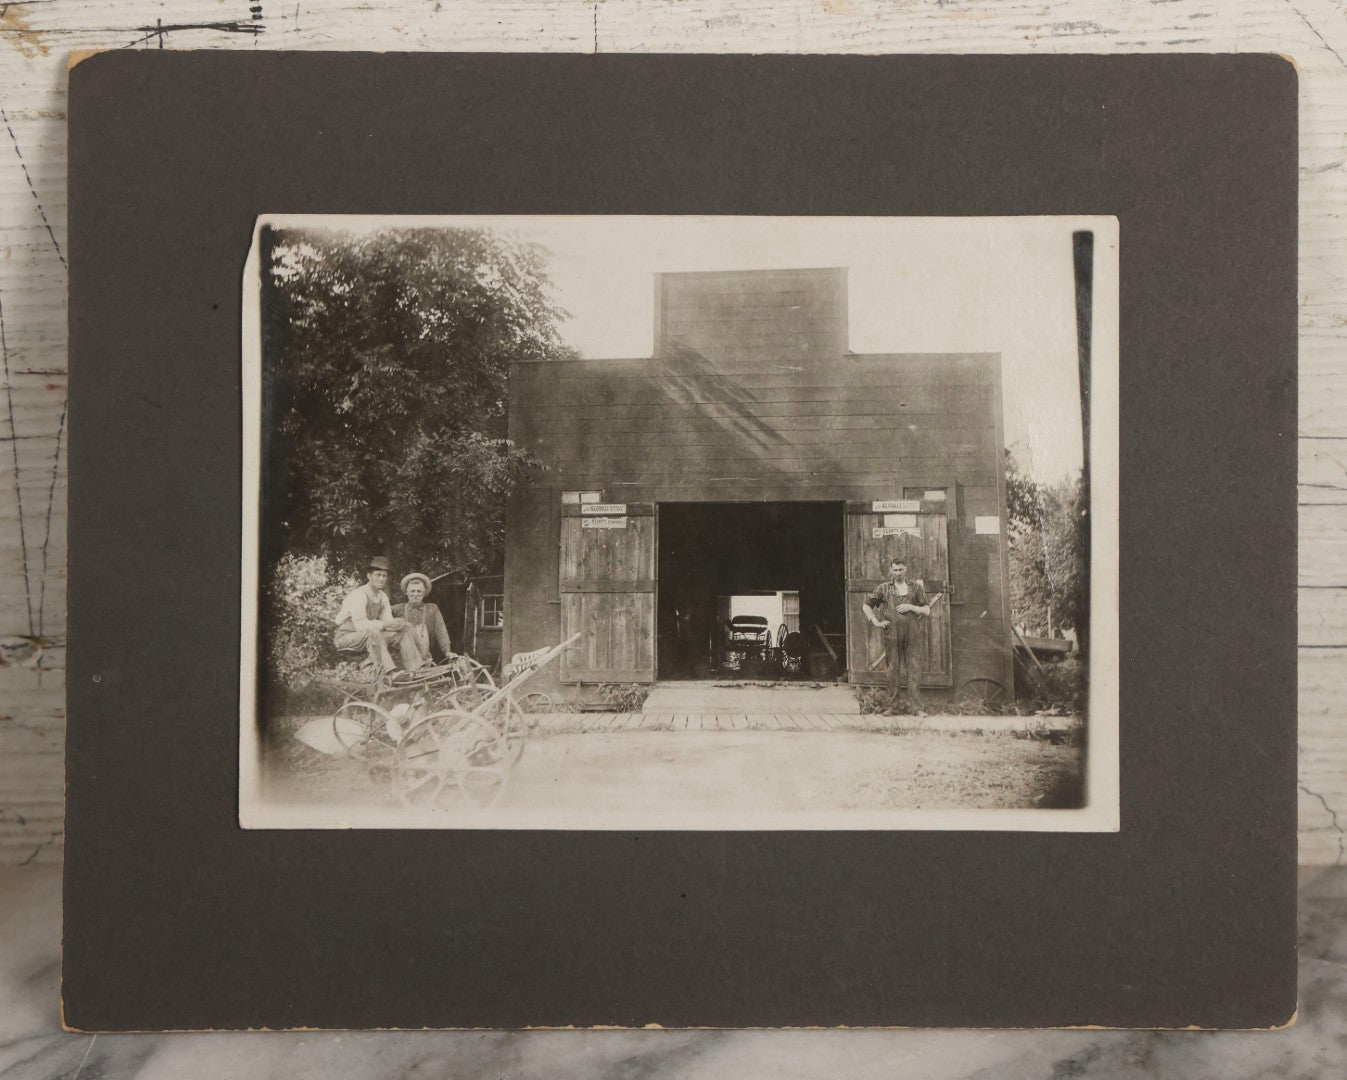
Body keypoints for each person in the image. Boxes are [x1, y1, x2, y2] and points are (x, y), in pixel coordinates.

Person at [864, 557, 931, 716]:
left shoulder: (915, 588)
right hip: (892, 633)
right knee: (893, 669)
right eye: (895, 570)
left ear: (906, 569)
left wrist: (911, 607)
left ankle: (917, 709)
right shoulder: (884, 588)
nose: (898, 573)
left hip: (912, 632)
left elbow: (927, 610)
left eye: (901, 569)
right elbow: (866, 606)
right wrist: (875, 621)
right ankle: (893, 707)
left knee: (914, 668)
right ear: (891, 570)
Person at [333, 556, 405, 673]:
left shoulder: (382, 597)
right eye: (378, 575)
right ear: (369, 576)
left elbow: (388, 622)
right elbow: (360, 625)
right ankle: (389, 672)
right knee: (375, 633)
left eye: (384, 576)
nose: (381, 579)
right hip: (347, 636)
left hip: (369, 634)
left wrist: (397, 625)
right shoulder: (359, 594)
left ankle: (415, 668)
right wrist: (385, 624)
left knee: (404, 629)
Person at [391, 572, 453, 670]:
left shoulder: (432, 609)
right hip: (403, 663)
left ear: (424, 593)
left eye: (419, 591)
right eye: (412, 591)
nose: (416, 594)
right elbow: (381, 617)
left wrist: (447, 652)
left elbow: (441, 632)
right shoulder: (397, 609)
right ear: (407, 592)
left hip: (424, 661)